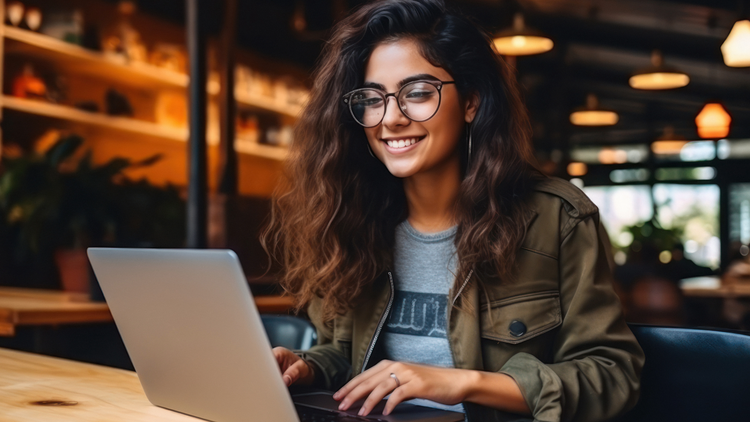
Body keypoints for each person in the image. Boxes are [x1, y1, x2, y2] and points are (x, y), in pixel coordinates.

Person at [263, 1, 644, 421]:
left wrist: (464, 383)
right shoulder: (352, 220)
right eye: (373, 99)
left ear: (471, 102)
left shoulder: (557, 220)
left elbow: (611, 374)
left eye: (419, 93)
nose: (390, 119)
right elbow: (343, 351)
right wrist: (308, 366)